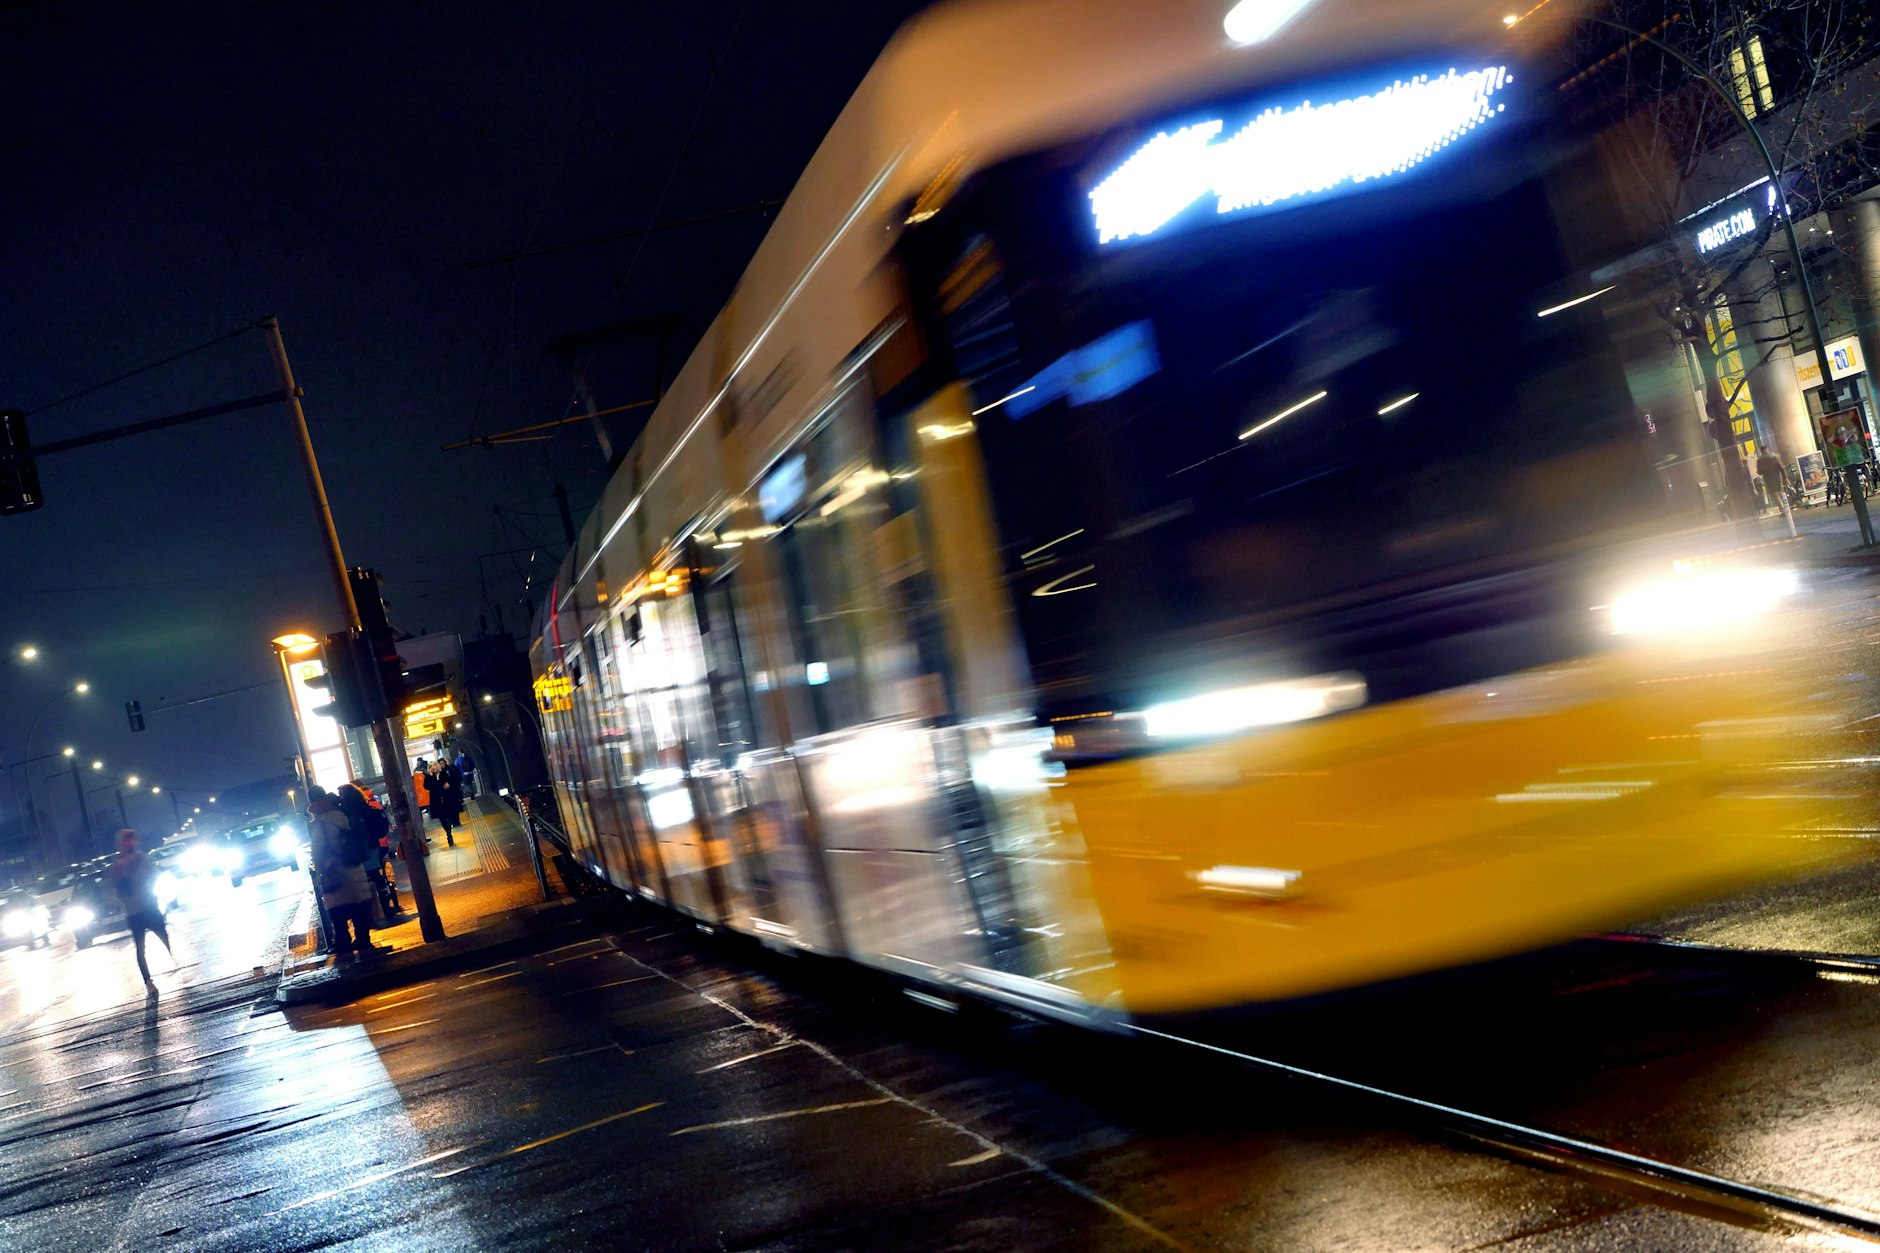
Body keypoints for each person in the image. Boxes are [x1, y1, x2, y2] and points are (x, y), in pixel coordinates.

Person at [310, 792, 378, 961]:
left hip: (335, 873)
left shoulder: (321, 825)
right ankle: (364, 943)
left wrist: (319, 872)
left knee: (338, 915)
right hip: (355, 868)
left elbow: (317, 852)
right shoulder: (343, 818)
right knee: (359, 910)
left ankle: (344, 949)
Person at [106, 829, 173, 996]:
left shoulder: (142, 858)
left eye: (132, 839)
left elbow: (154, 875)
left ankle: (173, 958)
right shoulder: (118, 864)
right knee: (140, 948)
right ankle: (148, 981)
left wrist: (151, 891)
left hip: (149, 906)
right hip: (134, 912)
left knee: (163, 934)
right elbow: (114, 887)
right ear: (121, 843)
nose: (130, 843)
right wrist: (124, 897)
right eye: (126, 840)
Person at [1757, 448, 1797, 538]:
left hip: (1768, 478)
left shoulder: (1760, 460)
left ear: (1761, 451)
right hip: (1777, 477)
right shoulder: (1774, 456)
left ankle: (1782, 509)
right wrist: (1784, 477)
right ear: (1767, 449)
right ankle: (1786, 508)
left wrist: (1762, 471)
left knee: (1774, 494)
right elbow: (1781, 467)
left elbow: (1759, 471)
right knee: (1780, 492)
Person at [429, 758, 464, 848]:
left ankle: (449, 834)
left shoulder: (444, 773)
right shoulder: (429, 777)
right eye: (431, 767)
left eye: (434, 766)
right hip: (437, 801)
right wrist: (431, 776)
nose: (433, 768)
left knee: (449, 817)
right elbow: (426, 786)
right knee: (442, 819)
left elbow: (452, 781)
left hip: (447, 799)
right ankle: (448, 832)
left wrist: (448, 784)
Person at [410, 761, 432, 842]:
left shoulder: (415, 778)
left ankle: (422, 838)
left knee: (419, 821)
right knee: (418, 821)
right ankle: (421, 839)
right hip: (416, 803)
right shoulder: (418, 776)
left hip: (417, 802)